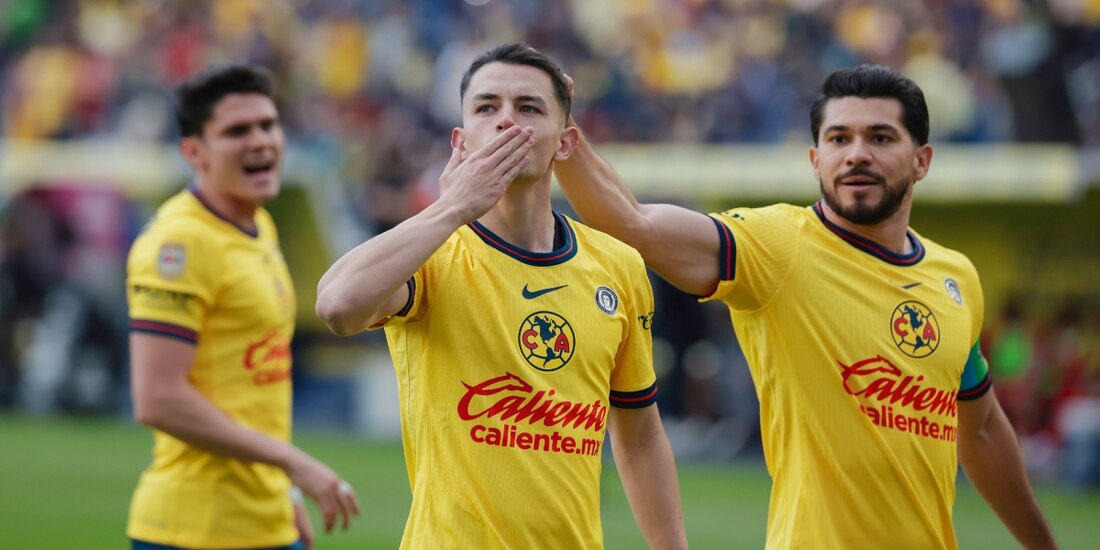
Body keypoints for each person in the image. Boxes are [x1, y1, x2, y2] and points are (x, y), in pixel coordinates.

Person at [554, 65, 1058, 549]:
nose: (856, 154)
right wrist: (559, 127)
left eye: (880, 138)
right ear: (816, 160)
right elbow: (634, 223)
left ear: (921, 160)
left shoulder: (956, 278)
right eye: (839, 139)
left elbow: (984, 429)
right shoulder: (777, 247)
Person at [315, 44, 687, 549]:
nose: (506, 122)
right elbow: (337, 305)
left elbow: (640, 435)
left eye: (529, 108)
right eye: (487, 108)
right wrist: (450, 209)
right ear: (461, 139)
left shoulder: (617, 265)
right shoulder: (432, 253)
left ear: (565, 143)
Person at [125, 63, 359, 550]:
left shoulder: (260, 227)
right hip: (196, 530)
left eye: (268, 125)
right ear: (194, 152)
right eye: (237, 131)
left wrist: (283, 488)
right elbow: (158, 398)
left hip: (267, 520)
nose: (260, 141)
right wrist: (294, 462)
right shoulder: (179, 244)